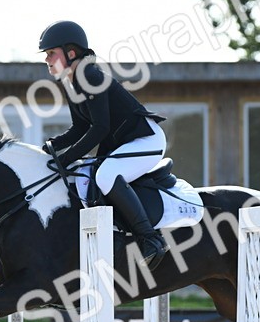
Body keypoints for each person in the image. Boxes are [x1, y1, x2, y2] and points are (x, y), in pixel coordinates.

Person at [38, 20, 168, 270]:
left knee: (106, 175)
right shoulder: (70, 82)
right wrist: (53, 146)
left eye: (51, 53)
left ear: (71, 53)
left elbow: (100, 128)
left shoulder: (90, 76)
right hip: (127, 144)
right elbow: (79, 128)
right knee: (85, 175)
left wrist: (66, 158)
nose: (47, 59)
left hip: (146, 141)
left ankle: (151, 239)